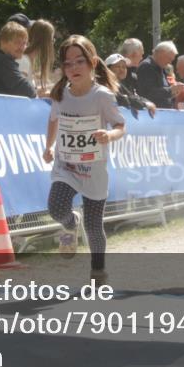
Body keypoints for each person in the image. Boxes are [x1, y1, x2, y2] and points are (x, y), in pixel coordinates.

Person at [43, 35, 126, 284]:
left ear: (92, 63)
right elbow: (53, 120)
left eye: (79, 61)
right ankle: (70, 223)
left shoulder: (102, 96)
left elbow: (121, 125)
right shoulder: (60, 94)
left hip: (93, 169)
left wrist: (109, 135)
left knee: (93, 226)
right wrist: (49, 146)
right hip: (66, 165)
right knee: (56, 207)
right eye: (68, 64)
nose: (74, 68)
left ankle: (98, 271)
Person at [0, 21, 36, 98]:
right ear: (3, 42)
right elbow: (28, 91)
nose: (22, 47)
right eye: (17, 42)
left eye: (24, 43)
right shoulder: (1, 62)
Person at [104, 53, 156, 118]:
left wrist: (146, 102)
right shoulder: (105, 84)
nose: (122, 69)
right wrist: (144, 104)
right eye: (118, 66)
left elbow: (131, 96)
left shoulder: (118, 84)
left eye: (124, 67)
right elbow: (123, 100)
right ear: (108, 69)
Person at [137, 41, 184, 109]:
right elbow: (148, 93)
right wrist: (171, 90)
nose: (170, 62)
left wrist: (174, 93)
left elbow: (163, 91)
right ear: (160, 53)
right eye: (169, 59)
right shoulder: (146, 66)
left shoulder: (160, 67)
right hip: (152, 112)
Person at [24, 19, 56, 96]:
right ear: (45, 41)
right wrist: (38, 93)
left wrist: (37, 91)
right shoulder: (24, 61)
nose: (52, 42)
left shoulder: (29, 60)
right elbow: (19, 91)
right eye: (52, 39)